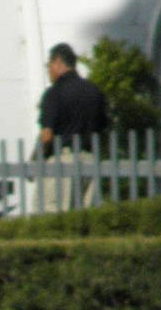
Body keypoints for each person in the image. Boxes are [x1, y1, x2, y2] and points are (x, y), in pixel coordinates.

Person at [36, 43, 108, 212]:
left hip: (63, 159)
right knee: (87, 216)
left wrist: (38, 159)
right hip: (91, 160)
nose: (49, 71)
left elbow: (47, 135)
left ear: (58, 63)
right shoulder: (94, 91)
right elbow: (103, 129)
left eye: (49, 65)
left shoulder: (54, 93)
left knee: (54, 214)